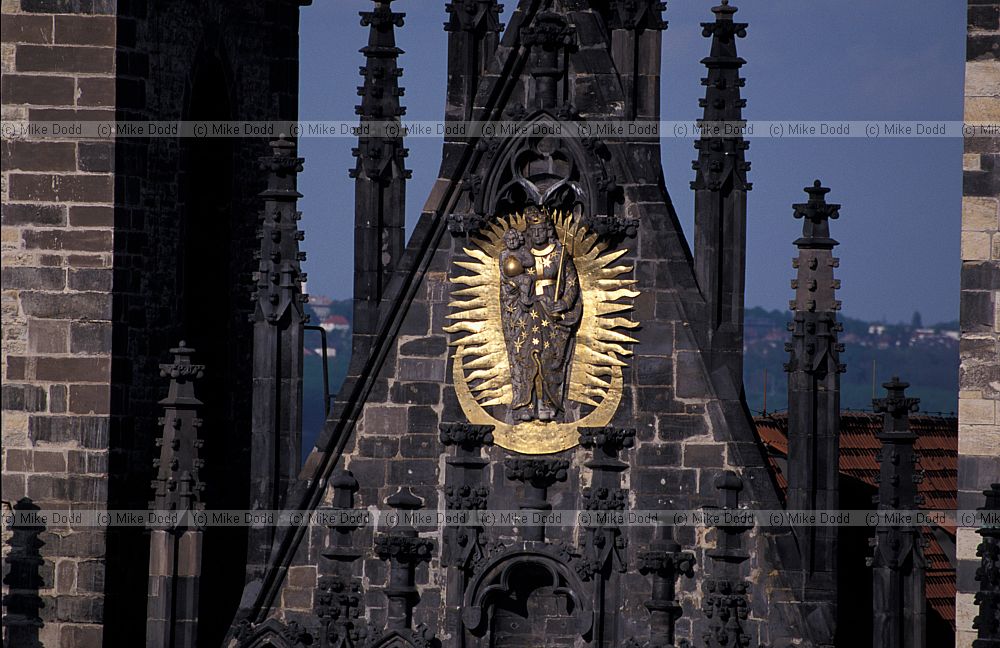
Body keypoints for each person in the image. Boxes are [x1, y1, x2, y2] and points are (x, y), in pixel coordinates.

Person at [498, 206, 582, 422]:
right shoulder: (522, 255)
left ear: (548, 231)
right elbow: (510, 281)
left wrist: (563, 303)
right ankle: (527, 403)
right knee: (528, 356)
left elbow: (571, 283)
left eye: (541, 230)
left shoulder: (559, 254)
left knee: (549, 359)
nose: (537, 235)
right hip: (528, 311)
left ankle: (548, 402)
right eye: (533, 231)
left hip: (553, 314)